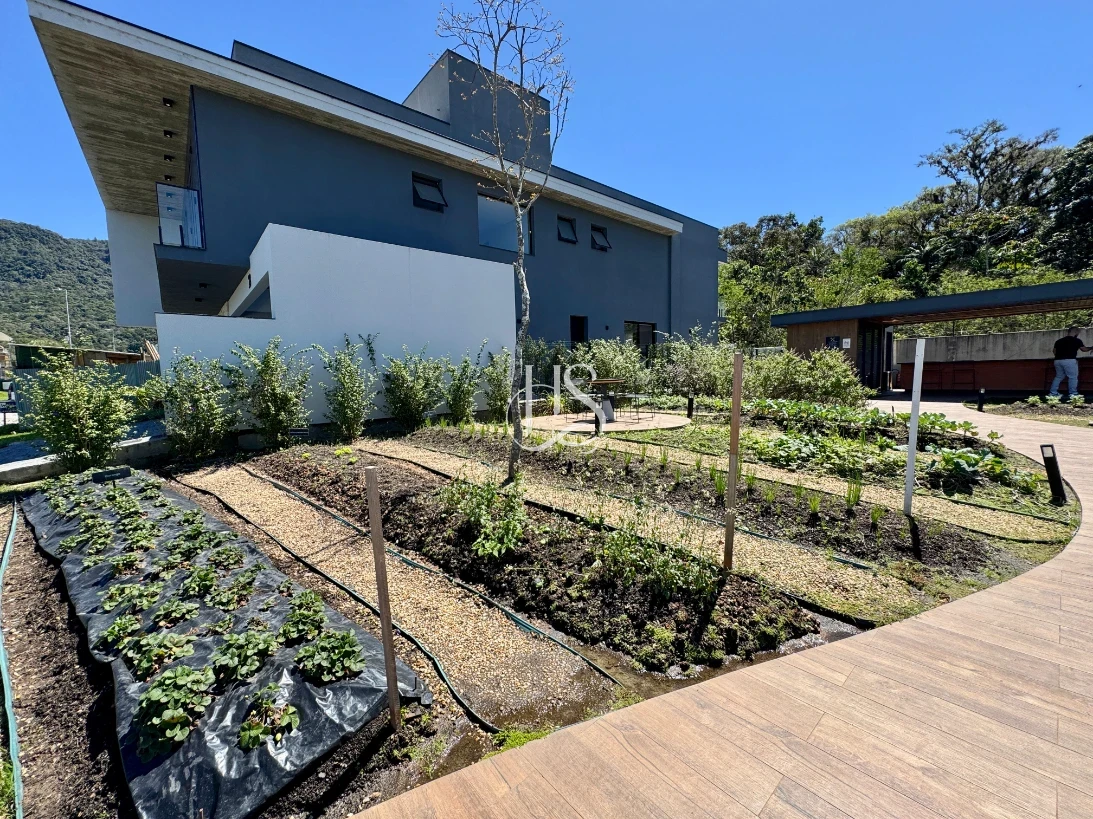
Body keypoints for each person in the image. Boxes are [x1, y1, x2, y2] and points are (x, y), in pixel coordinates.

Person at [1049, 326, 1091, 398]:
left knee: (1058, 376)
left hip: (1057, 361)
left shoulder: (1059, 341)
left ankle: (1053, 393)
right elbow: (1084, 349)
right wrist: (1091, 347)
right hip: (1070, 360)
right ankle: (1073, 393)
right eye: (1078, 332)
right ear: (1075, 332)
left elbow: (1054, 351)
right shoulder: (1077, 340)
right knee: (1073, 377)